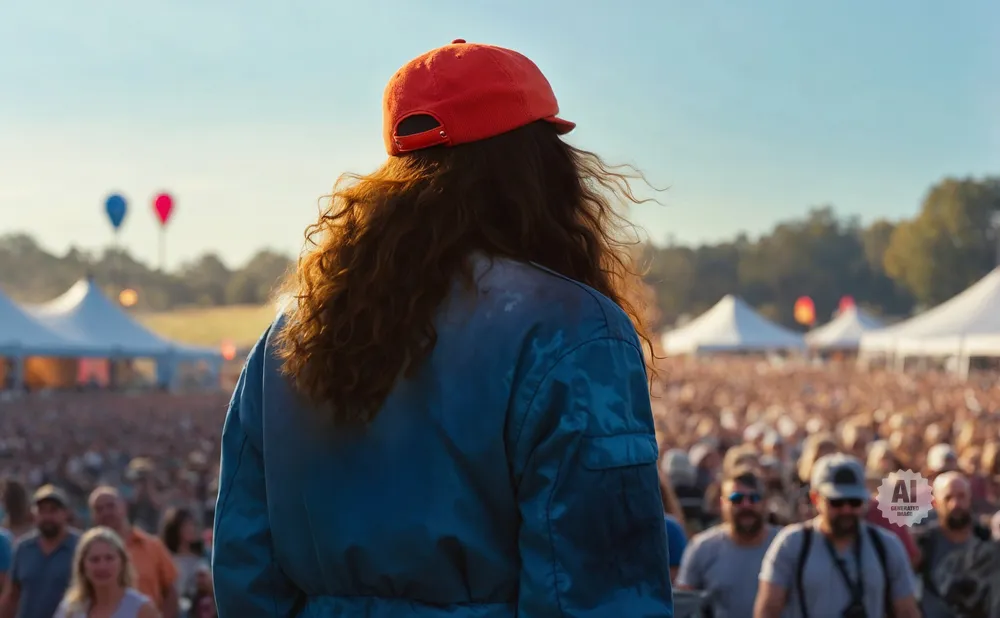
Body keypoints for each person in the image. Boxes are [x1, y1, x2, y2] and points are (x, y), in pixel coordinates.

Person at [212, 38, 673, 616]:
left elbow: (243, 565)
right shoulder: (571, 326)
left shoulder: (290, 333)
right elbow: (598, 583)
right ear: (537, 167)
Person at [754, 453, 919, 618]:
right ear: (815, 498)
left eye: (854, 502)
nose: (846, 510)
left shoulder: (886, 545)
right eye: (836, 502)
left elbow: (907, 611)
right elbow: (768, 610)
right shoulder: (792, 544)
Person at [678, 467, 779, 618]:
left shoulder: (785, 545)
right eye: (737, 499)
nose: (746, 505)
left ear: (765, 502)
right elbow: (684, 604)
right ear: (723, 503)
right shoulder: (702, 548)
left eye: (754, 498)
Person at [89, 487, 178, 617]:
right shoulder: (88, 554)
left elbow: (170, 592)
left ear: (124, 506)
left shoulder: (153, 546)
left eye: (110, 506)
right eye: (99, 509)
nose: (106, 512)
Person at [914, 472, 991, 618]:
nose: (955, 504)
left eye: (961, 496)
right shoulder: (924, 543)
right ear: (935, 503)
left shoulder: (986, 539)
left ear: (970, 498)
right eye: (948, 498)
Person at [0, 485, 79, 618]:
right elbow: (11, 596)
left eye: (53, 510)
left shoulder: (80, 546)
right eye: (42, 510)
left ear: (65, 513)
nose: (47, 516)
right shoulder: (23, 548)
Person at [54, 526, 158, 618]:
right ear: (82, 566)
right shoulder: (71, 609)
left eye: (109, 558)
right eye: (94, 559)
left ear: (122, 562)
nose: (102, 566)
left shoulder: (141, 609)